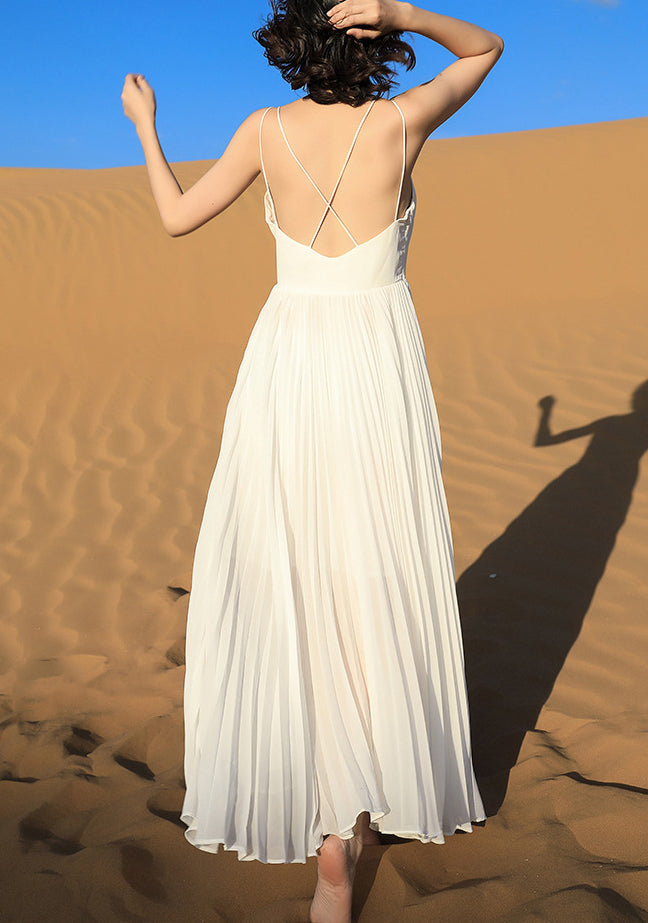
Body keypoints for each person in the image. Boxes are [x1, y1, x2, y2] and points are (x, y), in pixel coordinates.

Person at [121, 2, 503, 920]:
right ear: (368, 40)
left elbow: (175, 218)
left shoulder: (263, 129)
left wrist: (145, 126)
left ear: (293, 46)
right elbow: (486, 46)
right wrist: (402, 9)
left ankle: (329, 824)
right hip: (376, 367)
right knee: (372, 565)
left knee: (299, 566)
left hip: (287, 366)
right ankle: (357, 798)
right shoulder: (402, 121)